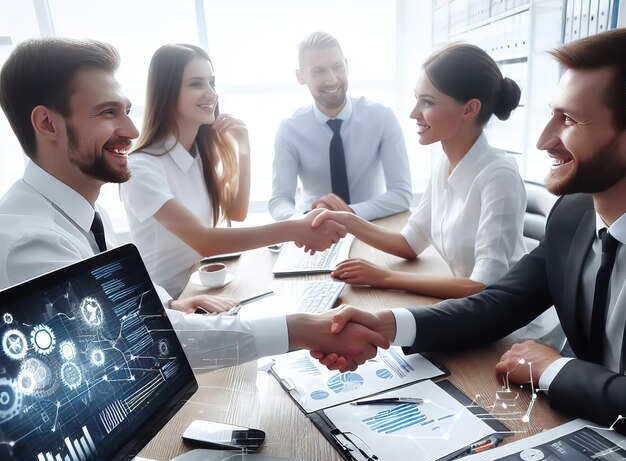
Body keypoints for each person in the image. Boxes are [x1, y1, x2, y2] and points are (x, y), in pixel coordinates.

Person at [0, 37, 388, 372]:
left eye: (127, 111)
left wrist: (172, 303)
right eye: (107, 112)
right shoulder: (33, 244)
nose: (131, 131)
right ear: (48, 125)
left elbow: (118, 296)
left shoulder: (89, 213)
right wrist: (301, 328)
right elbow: (130, 342)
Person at [313, 28, 626, 430]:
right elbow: (497, 304)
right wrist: (386, 326)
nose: (544, 140)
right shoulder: (573, 216)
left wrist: (555, 370)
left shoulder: (502, 175)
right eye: (552, 114)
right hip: (580, 424)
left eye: (570, 120)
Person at [121, 43, 349, 297]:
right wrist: (296, 228)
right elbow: (206, 242)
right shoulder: (141, 168)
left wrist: (244, 149)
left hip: (203, 291)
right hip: (168, 304)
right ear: (167, 92)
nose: (211, 94)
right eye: (196, 84)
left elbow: (236, 212)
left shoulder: (194, 155)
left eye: (212, 83)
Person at [314, 43, 527, 300]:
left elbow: (483, 286)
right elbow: (409, 243)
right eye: (417, 99)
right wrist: (347, 221)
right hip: (467, 310)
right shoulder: (444, 166)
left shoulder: (498, 175)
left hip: (510, 326)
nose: (414, 113)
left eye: (427, 102)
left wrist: (384, 278)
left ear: (469, 109)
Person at [269, 31, 412, 222]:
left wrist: (348, 214)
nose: (332, 79)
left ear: (347, 65)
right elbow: (279, 200)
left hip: (372, 223)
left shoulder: (382, 117)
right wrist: (302, 219)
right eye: (319, 71)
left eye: (337, 67)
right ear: (301, 77)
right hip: (313, 226)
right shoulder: (289, 130)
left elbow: (401, 194)